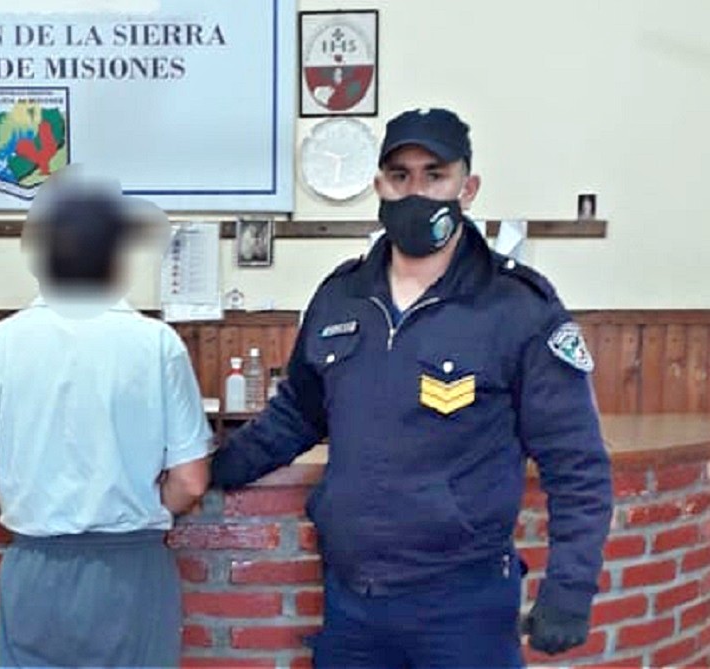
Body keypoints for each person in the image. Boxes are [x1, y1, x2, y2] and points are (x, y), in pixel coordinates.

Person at [211, 108, 613, 667]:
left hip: (464, 608)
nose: (416, 190)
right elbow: (296, 416)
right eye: (400, 176)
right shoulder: (340, 297)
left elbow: (576, 464)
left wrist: (571, 589)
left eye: (434, 175)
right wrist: (211, 468)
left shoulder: (518, 306)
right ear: (378, 185)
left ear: (466, 188)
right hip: (353, 605)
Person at [0, 168, 212, 667]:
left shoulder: (4, 340)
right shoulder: (156, 345)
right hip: (131, 571)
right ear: (115, 258)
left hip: (34, 568)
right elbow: (191, 482)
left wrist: (30, 490)